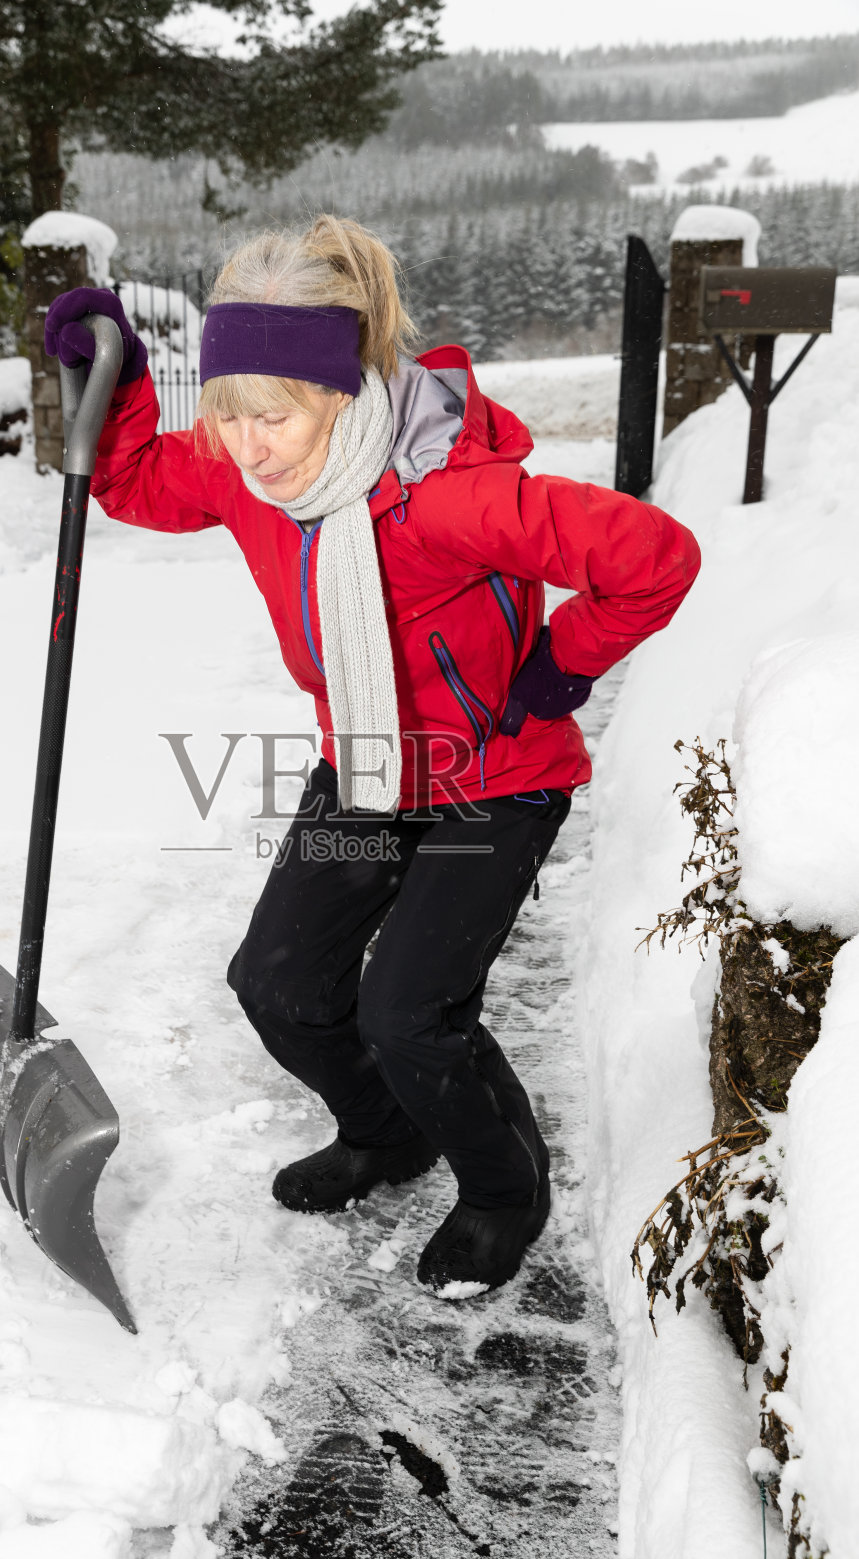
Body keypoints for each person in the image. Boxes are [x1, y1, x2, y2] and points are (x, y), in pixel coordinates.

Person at [44, 215, 700, 1297]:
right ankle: (387, 1131)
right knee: (277, 984)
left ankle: (501, 1187)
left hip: (496, 774)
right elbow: (140, 484)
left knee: (409, 1011)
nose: (245, 445)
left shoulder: (447, 492)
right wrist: (108, 379)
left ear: (342, 388)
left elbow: (654, 557)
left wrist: (559, 666)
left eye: (272, 416)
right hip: (364, 763)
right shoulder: (253, 475)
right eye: (228, 414)